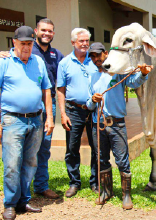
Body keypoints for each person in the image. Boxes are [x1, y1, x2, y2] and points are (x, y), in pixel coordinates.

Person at [0, 26, 54, 220]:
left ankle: (23, 201)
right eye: (23, 43)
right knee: (12, 164)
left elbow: (46, 91)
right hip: (12, 119)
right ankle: (9, 204)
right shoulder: (3, 63)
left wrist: (49, 118)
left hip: (36, 119)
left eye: (29, 43)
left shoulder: (38, 61)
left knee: (30, 162)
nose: (26, 47)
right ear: (14, 43)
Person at [0, 18, 64, 199]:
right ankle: (14, 199)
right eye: (43, 30)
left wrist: (50, 117)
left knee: (40, 152)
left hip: (42, 111)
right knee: (14, 158)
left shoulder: (52, 56)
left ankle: (37, 188)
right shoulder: (10, 58)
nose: (26, 47)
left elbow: (50, 88)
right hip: (15, 116)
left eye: (50, 31)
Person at [86, 42, 153, 209]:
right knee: (101, 159)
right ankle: (106, 191)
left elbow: (133, 82)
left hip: (116, 124)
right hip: (98, 124)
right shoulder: (92, 77)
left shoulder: (118, 72)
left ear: (106, 53)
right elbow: (88, 105)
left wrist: (143, 74)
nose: (96, 59)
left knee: (122, 160)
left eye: (98, 55)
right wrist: (92, 100)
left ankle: (126, 195)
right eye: (92, 57)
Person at [57, 28, 98, 198]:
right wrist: (63, 114)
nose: (85, 44)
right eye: (81, 41)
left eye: (87, 41)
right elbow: (60, 89)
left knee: (97, 147)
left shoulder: (95, 61)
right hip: (74, 111)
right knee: (72, 148)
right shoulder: (64, 63)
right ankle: (74, 182)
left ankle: (95, 182)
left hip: (94, 111)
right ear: (73, 42)